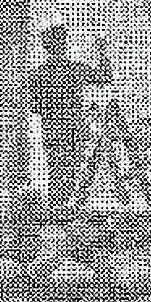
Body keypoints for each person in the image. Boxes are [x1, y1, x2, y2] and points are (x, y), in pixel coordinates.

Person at [28, 26, 113, 208]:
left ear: (46, 47)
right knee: (72, 172)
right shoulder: (76, 69)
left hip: (52, 131)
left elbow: (34, 108)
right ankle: (64, 210)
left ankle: (57, 209)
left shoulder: (37, 75)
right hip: (74, 130)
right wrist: (102, 50)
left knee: (56, 172)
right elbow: (105, 76)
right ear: (64, 45)